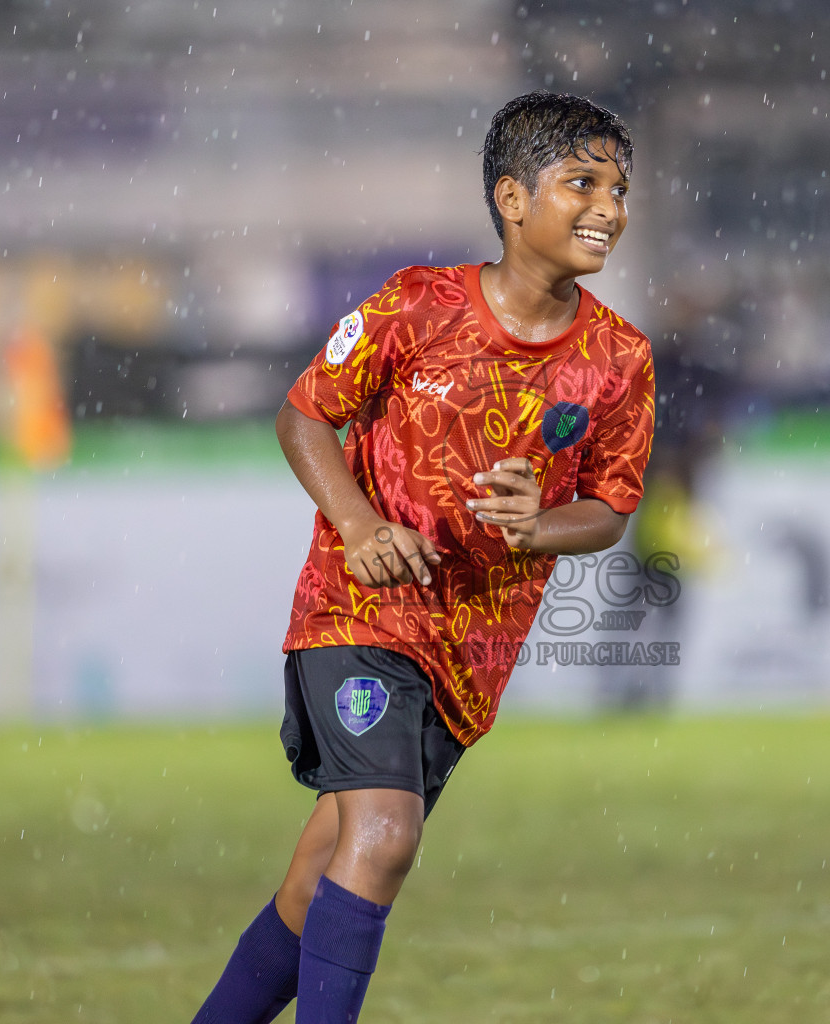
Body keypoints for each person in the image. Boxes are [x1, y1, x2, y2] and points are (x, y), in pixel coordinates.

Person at [189, 92, 654, 1022]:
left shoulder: (619, 358)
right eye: (583, 183)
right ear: (511, 198)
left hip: (470, 655)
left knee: (318, 877)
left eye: (619, 188)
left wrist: (539, 525)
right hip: (355, 613)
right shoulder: (415, 304)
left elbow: (609, 506)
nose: (609, 207)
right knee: (388, 835)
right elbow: (304, 413)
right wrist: (360, 528)